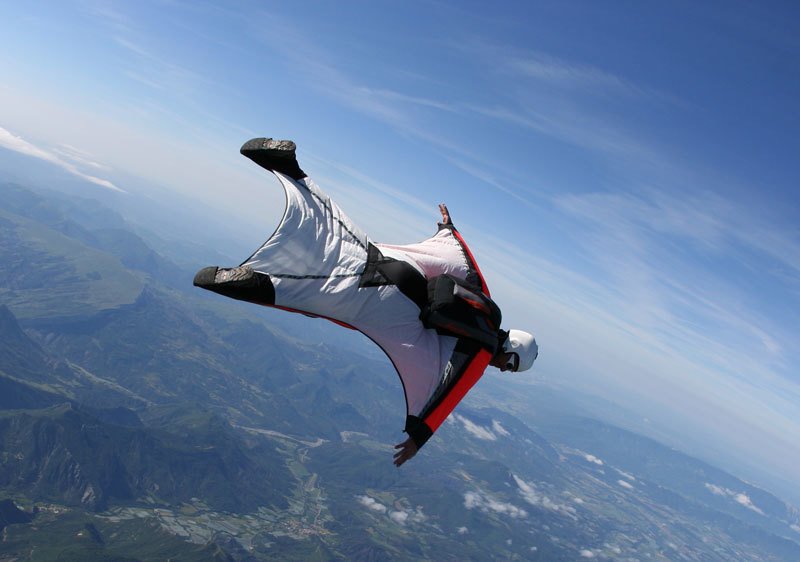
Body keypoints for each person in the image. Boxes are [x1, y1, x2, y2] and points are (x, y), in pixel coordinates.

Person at [194, 138, 538, 466]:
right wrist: (420, 434)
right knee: (316, 300)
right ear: (510, 352)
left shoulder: (487, 303)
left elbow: (465, 262)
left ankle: (287, 166)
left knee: (337, 230)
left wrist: (449, 230)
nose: (501, 369)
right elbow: (452, 392)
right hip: (388, 302)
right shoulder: (481, 350)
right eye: (510, 365)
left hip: (400, 265)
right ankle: (249, 284)